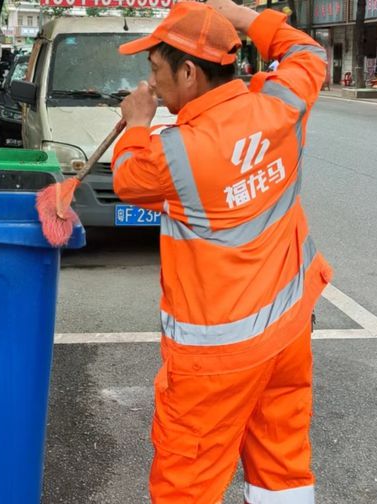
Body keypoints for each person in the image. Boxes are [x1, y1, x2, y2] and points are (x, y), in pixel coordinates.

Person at [111, 0, 332, 502]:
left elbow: (126, 179)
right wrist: (244, 17)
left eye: (154, 68)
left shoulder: (174, 152)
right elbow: (306, 51)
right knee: (282, 461)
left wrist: (137, 121)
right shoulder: (281, 103)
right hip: (288, 331)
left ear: (188, 72)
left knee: (186, 482)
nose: (150, 80)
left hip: (215, 358)